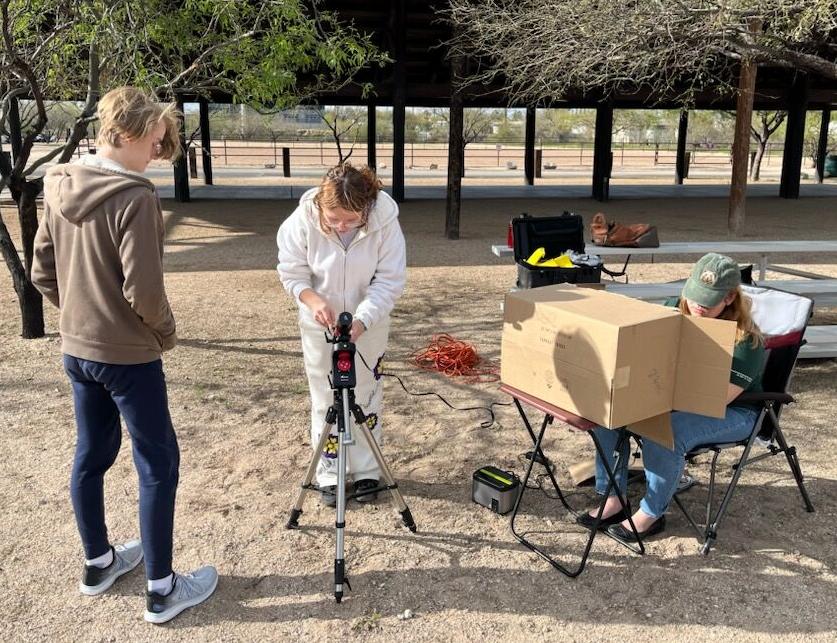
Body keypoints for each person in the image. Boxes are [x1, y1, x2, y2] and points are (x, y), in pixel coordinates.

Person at [31, 87, 217, 624]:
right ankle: (162, 589)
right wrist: (163, 333)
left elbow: (43, 271)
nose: (158, 154)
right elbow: (145, 293)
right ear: (128, 134)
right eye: (156, 142)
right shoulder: (135, 197)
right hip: (129, 358)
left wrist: (81, 318)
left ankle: (99, 563)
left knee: (91, 456)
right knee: (158, 465)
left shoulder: (59, 180)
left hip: (77, 350)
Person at [577, 253, 766, 543]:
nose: (696, 306)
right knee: (610, 414)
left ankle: (651, 514)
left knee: (666, 432)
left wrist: (653, 400)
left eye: (707, 301)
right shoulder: (672, 311)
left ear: (729, 298)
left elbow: (717, 398)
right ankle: (613, 498)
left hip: (735, 411)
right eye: (694, 297)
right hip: (670, 397)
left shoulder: (746, 342)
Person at [277, 163, 406, 507]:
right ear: (321, 205)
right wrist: (313, 299)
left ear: (367, 207)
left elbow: (389, 281)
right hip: (319, 325)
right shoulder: (303, 220)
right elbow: (291, 272)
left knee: (366, 394)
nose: (341, 226)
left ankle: (367, 471)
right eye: (333, 219)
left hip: (370, 325)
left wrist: (363, 319)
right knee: (325, 397)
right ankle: (330, 472)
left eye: (350, 220)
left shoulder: (385, 223)